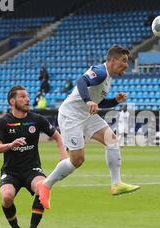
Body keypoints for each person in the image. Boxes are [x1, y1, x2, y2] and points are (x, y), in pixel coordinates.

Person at [37, 45, 140, 209]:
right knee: (77, 160)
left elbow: (98, 101)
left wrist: (115, 101)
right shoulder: (100, 71)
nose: (126, 65)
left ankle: (116, 184)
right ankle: (46, 185)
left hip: (86, 115)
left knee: (111, 140)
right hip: (71, 116)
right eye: (124, 61)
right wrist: (88, 101)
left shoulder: (107, 78)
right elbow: (81, 81)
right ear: (112, 60)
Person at [0, 85, 68, 228]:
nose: (27, 99)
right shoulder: (3, 122)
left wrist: (63, 155)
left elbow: (57, 136)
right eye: (22, 97)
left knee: (43, 188)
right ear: (12, 101)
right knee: (6, 197)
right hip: (11, 171)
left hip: (32, 169)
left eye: (27, 96)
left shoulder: (37, 119)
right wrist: (11, 144)